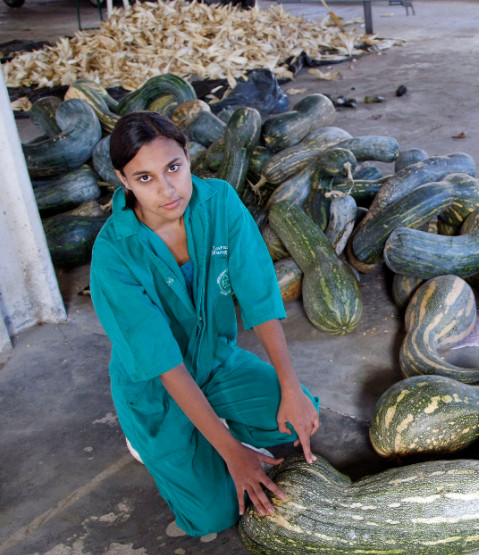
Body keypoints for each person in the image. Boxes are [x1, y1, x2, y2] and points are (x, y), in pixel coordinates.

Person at [90, 111, 320, 536]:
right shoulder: (113, 255)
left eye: (173, 167)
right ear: (123, 180)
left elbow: (259, 297)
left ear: (188, 158)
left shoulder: (219, 203)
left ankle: (216, 425)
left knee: (298, 416)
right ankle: (150, 441)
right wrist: (234, 453)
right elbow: (162, 362)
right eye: (145, 178)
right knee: (213, 516)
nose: (166, 189)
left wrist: (290, 387)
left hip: (214, 361)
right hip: (158, 388)